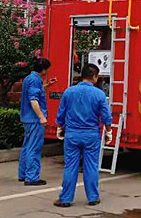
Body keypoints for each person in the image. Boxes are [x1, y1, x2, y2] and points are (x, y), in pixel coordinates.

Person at [54, 63, 112, 208]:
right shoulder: (99, 94)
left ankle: (65, 198)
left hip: (72, 134)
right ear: (95, 77)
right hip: (91, 135)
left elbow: (61, 113)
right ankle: (93, 197)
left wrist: (60, 127)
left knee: (70, 166)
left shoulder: (69, 92)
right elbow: (106, 117)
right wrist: (109, 131)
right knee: (91, 166)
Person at [18, 58, 52, 186]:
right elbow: (33, 99)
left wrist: (46, 86)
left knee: (27, 146)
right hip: (34, 119)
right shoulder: (35, 80)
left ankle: (23, 174)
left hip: (27, 119)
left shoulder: (29, 78)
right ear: (44, 70)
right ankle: (32, 177)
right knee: (34, 147)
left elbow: (33, 92)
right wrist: (41, 117)